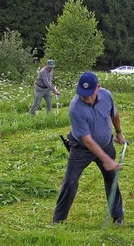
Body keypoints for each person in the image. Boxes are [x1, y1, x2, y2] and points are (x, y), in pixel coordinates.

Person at [52, 72, 127, 226]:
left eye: (89, 94)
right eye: (83, 94)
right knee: (70, 181)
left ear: (98, 88)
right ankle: (58, 219)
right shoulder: (75, 108)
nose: (86, 98)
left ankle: (118, 216)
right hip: (81, 149)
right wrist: (106, 160)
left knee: (112, 179)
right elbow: (87, 140)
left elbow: (114, 113)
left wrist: (119, 132)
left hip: (106, 144)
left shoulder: (106, 96)